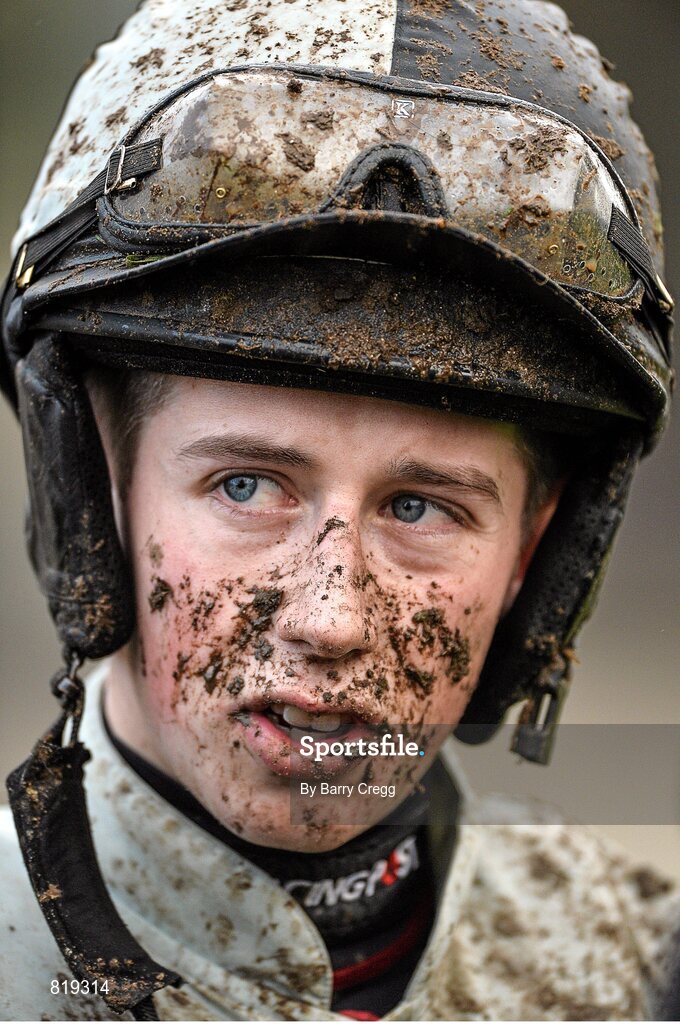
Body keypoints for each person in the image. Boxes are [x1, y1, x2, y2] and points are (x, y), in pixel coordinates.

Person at [0, 0, 678, 1019]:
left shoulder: (639, 975)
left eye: (421, 506)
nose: (331, 619)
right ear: (94, 493)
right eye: (246, 487)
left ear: (533, 559)